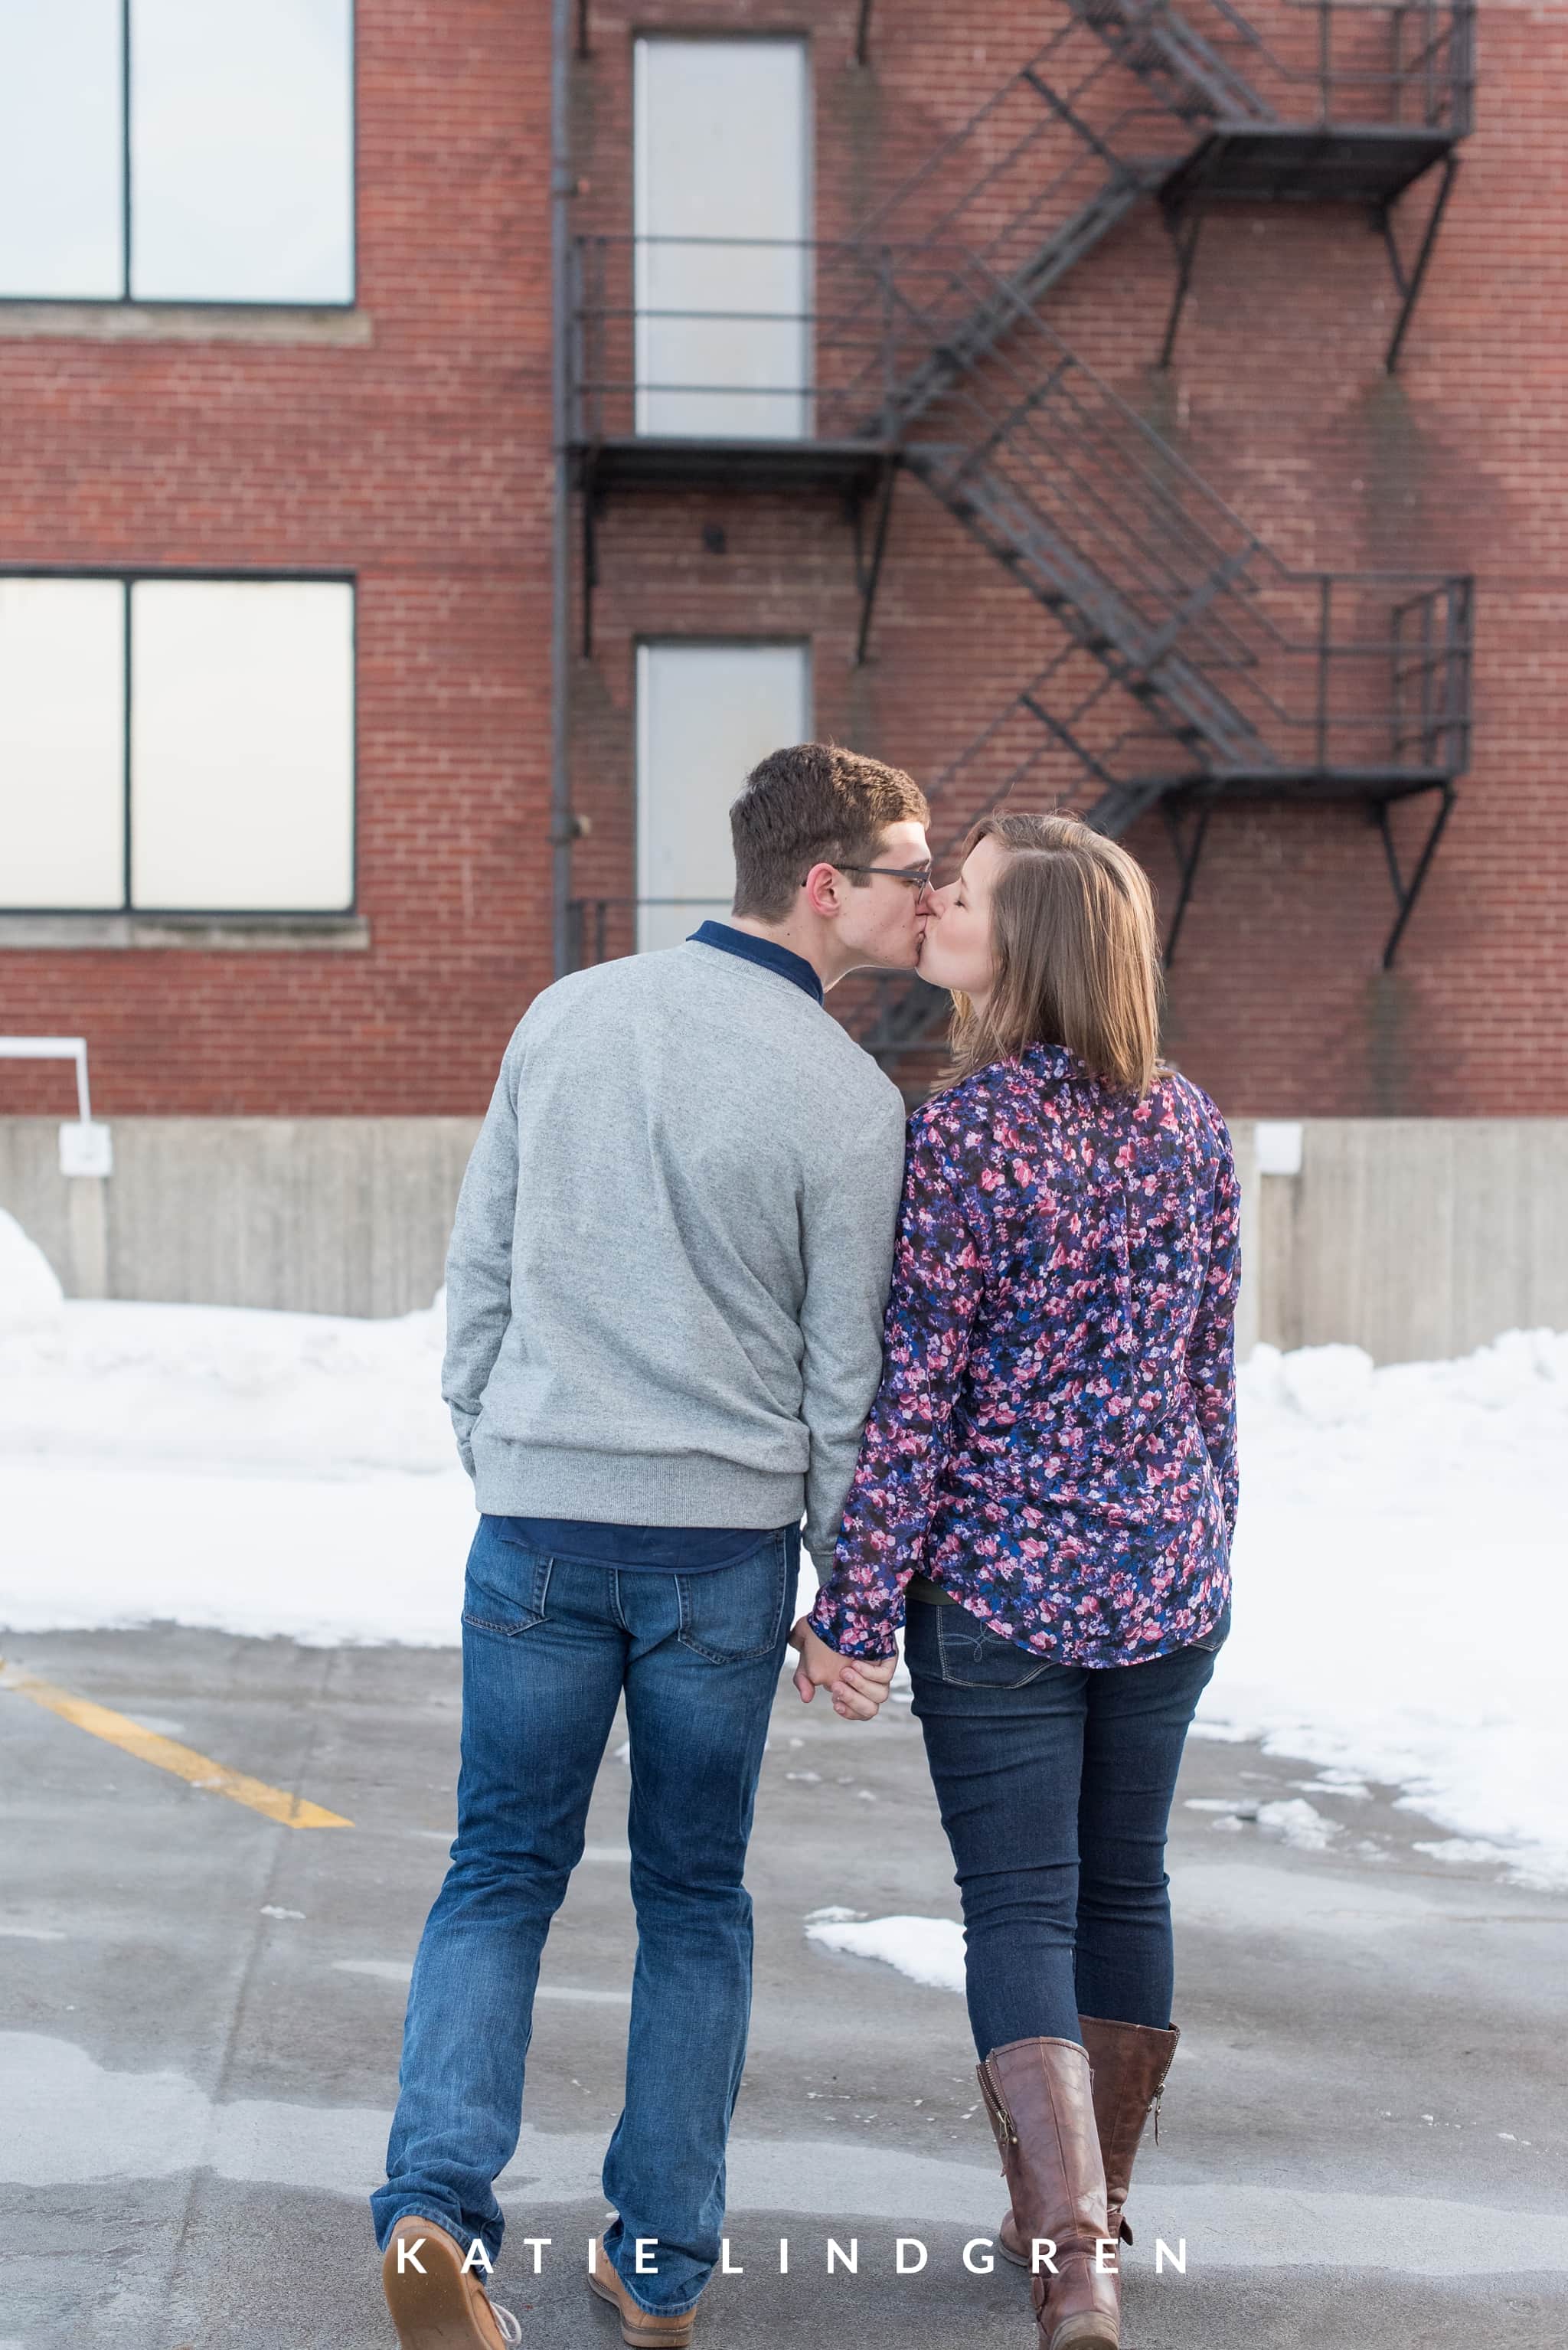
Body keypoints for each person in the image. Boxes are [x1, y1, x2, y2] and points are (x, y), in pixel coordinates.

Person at [371, 744, 925, 2350]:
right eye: (906, 869)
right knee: (694, 1899)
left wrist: (505, 1449)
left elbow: (476, 1278)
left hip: (538, 1523)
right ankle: (662, 2259)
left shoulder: (567, 1015)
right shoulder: (844, 1096)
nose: (928, 896)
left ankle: (430, 2213)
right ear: (822, 884)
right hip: (718, 1558)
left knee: (495, 1875)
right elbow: (843, 1379)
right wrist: (844, 1588)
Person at [796, 811, 1240, 2350]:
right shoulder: (1189, 1118)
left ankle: (1071, 2256)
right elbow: (1208, 1369)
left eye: (966, 893)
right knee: (1126, 1883)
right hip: (1165, 1580)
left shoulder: (968, 1128)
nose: (939, 903)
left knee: (1021, 1908)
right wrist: (1210, 1531)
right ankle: (1091, 2215)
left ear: (1027, 940)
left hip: (997, 1589)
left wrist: (852, 1610)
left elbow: (912, 1394)